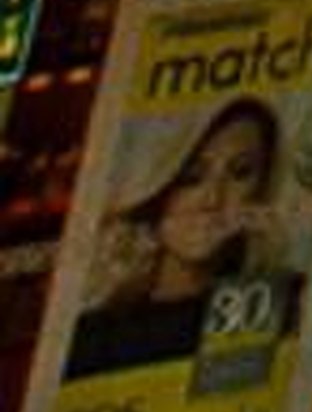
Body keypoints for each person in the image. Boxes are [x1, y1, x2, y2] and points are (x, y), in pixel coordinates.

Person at [64, 93, 289, 380]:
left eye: (240, 173)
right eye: (192, 177)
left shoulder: (278, 306)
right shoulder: (93, 337)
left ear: (261, 189)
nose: (213, 198)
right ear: (159, 186)